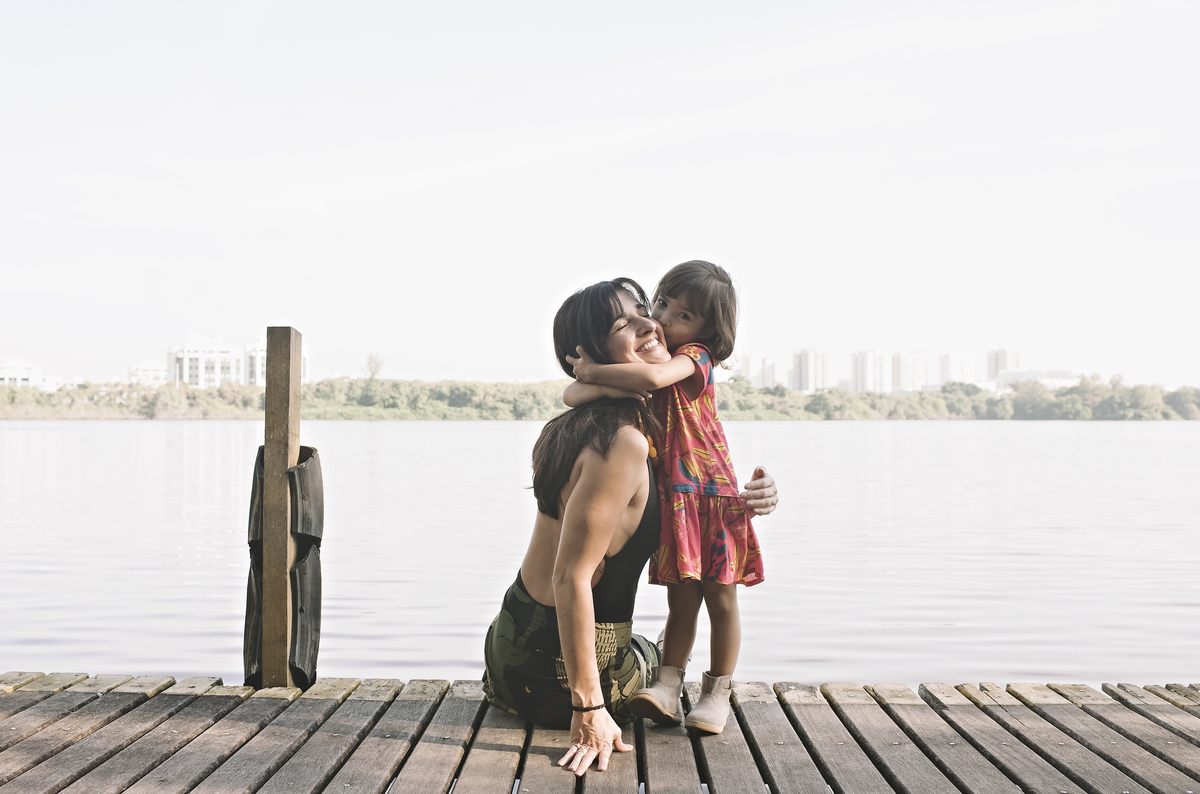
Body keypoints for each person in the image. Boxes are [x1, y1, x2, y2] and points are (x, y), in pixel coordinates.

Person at [482, 277, 778, 777]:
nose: (652, 323)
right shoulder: (624, 442)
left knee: (669, 635)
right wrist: (589, 711)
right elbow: (570, 576)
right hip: (556, 675)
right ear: (594, 351)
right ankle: (686, 681)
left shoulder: (581, 424)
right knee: (655, 655)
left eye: (646, 308)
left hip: (510, 645)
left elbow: (684, 489)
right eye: (625, 322)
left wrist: (750, 497)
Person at [564, 261, 761, 735]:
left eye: (684, 315)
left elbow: (650, 382)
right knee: (681, 600)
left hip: (712, 497)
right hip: (678, 502)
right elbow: (574, 395)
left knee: (722, 599)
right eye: (662, 304)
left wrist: (594, 368)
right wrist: (596, 378)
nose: (666, 319)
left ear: (707, 331)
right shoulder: (650, 366)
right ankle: (669, 686)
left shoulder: (693, 358)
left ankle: (717, 693)